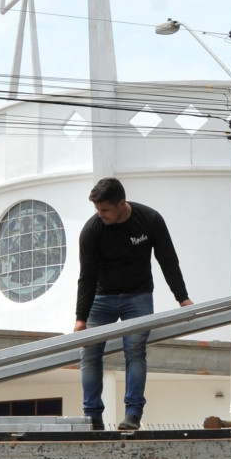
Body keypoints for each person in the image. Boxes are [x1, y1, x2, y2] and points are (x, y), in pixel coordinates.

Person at [73, 177, 192, 431]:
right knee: (89, 353)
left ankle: (133, 414)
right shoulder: (92, 230)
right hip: (101, 298)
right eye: (97, 209)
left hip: (138, 296)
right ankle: (92, 417)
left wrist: (182, 298)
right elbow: (86, 276)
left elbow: (168, 260)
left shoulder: (150, 220)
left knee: (135, 351)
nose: (101, 214)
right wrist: (80, 319)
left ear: (121, 203)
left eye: (105, 209)